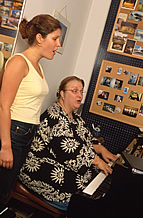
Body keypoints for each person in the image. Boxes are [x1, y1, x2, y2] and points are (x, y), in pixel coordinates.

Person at [19, 76, 118, 211]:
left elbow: (86, 138)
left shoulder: (76, 117)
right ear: (62, 93)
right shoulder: (54, 115)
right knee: (86, 198)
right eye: (74, 91)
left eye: (81, 91)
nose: (79, 95)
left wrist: (100, 148)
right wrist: (97, 161)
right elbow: (68, 148)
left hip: (65, 167)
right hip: (42, 171)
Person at [0, 14, 61, 213]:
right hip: (14, 132)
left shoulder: (38, 66)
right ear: (39, 38)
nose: (58, 44)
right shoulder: (19, 62)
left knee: (5, 189)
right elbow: (3, 106)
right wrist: (5, 146)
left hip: (26, 133)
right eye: (55, 38)